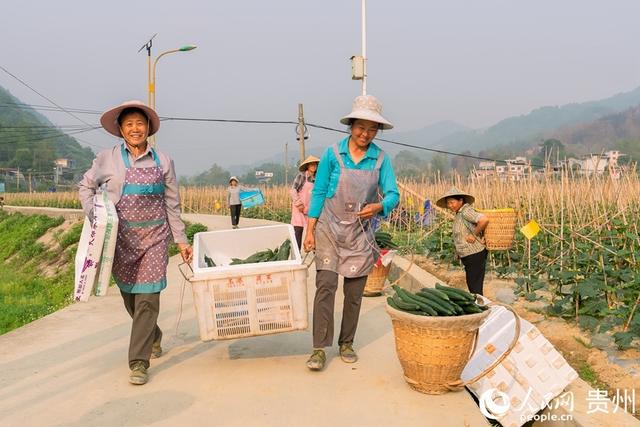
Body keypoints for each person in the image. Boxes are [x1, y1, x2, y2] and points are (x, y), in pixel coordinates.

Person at [78, 100, 193, 385]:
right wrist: (97, 217)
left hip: (155, 238)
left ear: (149, 128)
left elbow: (171, 204)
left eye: (140, 124)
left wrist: (181, 240)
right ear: (120, 129)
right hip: (121, 240)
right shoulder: (107, 158)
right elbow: (86, 186)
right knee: (131, 297)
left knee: (147, 298)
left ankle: (138, 361)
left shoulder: (163, 161)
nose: (135, 129)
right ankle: (152, 334)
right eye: (129, 124)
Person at [303, 95, 399, 371]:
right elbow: (319, 192)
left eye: (372, 129)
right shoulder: (333, 155)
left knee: (354, 293)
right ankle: (319, 348)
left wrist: (379, 205)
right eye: (361, 127)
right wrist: (309, 230)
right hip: (328, 230)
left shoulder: (381, 159)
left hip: (359, 233)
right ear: (351, 125)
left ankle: (346, 342)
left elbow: (393, 194)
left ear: (377, 131)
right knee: (325, 287)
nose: (365, 134)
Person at [435, 187, 489, 295]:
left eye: (452, 202)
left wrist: (474, 234)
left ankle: (481, 307)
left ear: (461, 200)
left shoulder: (466, 211)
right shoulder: (459, 214)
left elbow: (484, 220)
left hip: (475, 253)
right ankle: (479, 306)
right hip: (468, 255)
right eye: (448, 204)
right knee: (473, 285)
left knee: (475, 286)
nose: (450, 206)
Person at [289, 155, 319, 250]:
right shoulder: (301, 176)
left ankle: (316, 253)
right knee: (298, 231)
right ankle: (297, 256)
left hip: (310, 209)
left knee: (314, 231)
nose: (314, 167)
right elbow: (293, 190)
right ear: (308, 166)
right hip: (299, 209)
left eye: (315, 165)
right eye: (312, 165)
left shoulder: (317, 178)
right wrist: (299, 204)